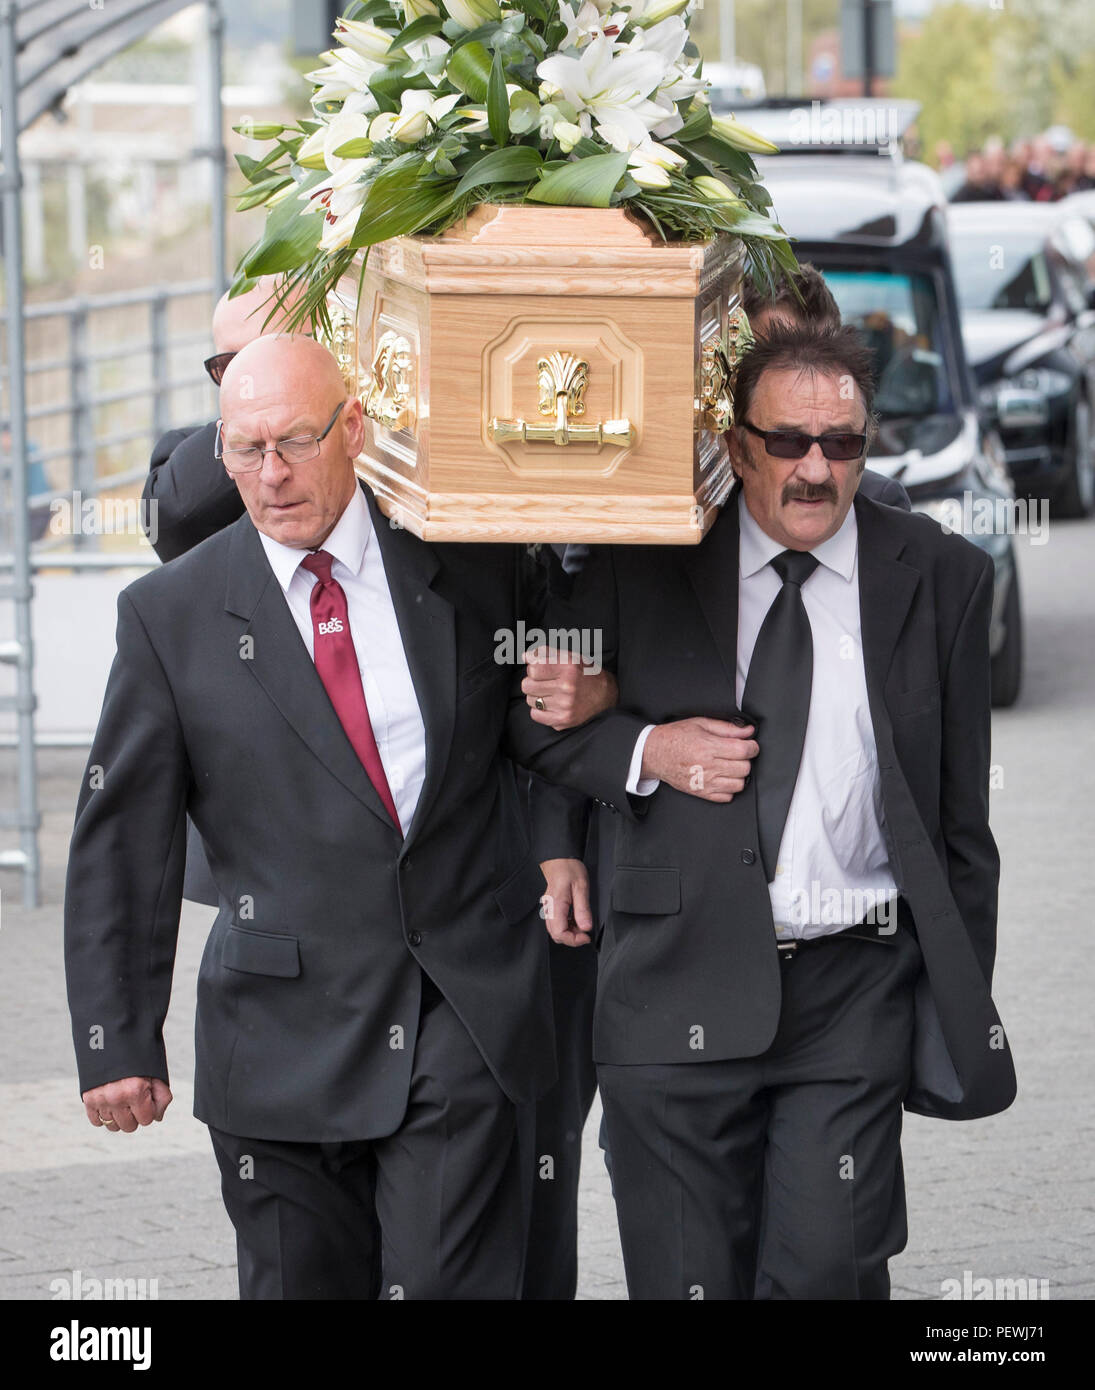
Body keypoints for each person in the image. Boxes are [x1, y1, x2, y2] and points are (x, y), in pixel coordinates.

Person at [64, 334, 605, 1300]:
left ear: (353, 427)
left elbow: (542, 707)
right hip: (280, 1044)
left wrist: (587, 742)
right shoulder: (170, 616)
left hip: (457, 1012)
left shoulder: (464, 560)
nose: (268, 477)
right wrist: (117, 1037)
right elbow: (124, 839)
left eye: (294, 443)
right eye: (243, 451)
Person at [518, 320, 1017, 1299]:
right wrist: (647, 749)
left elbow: (962, 828)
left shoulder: (942, 579)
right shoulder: (643, 559)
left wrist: (947, 996)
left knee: (828, 1267)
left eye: (843, 444)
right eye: (788, 441)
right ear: (738, 444)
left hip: (852, 991)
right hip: (672, 984)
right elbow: (531, 723)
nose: (816, 469)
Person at [740, 263, 912, 510]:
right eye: (778, 363)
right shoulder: (700, 501)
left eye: (821, 361)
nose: (804, 384)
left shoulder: (878, 503)